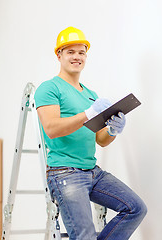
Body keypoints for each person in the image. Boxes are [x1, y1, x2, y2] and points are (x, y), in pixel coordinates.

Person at [34, 26, 147, 240]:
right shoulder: (49, 88)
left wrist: (113, 129)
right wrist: (88, 113)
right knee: (85, 236)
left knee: (135, 208)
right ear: (59, 55)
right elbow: (51, 128)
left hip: (92, 172)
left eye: (81, 52)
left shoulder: (91, 94)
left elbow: (101, 140)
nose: (77, 57)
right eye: (70, 52)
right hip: (65, 173)